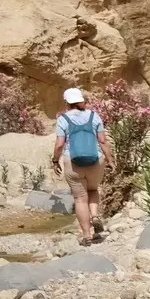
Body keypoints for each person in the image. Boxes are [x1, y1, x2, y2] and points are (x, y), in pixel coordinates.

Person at [51, 86, 109, 245]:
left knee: (80, 199)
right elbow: (103, 141)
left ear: (67, 102)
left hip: (73, 161)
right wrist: (110, 159)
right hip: (95, 160)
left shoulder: (63, 119)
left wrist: (55, 160)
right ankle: (95, 215)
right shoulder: (94, 115)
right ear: (81, 100)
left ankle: (87, 235)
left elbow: (59, 144)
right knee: (93, 190)